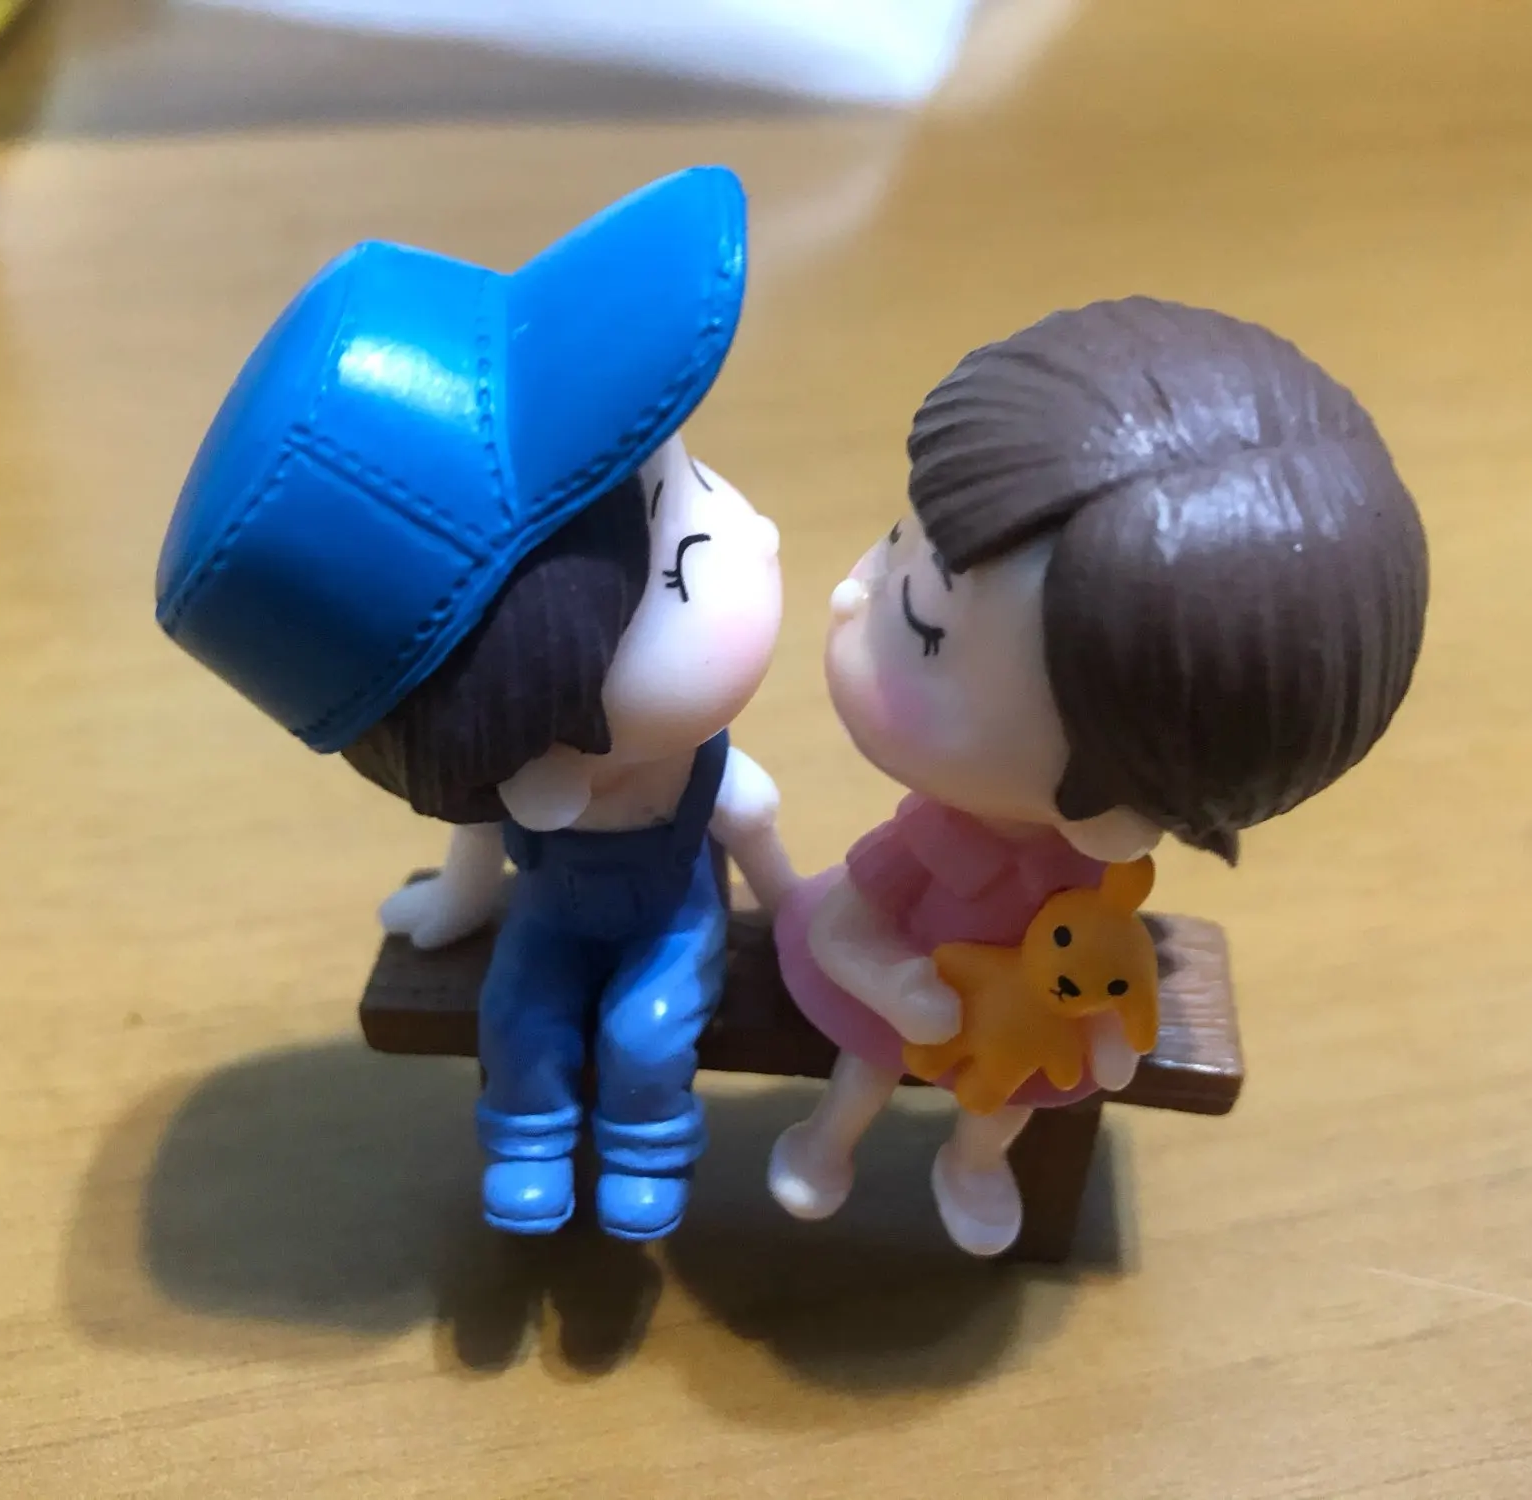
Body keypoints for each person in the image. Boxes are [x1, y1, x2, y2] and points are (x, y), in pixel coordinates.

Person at [155, 166, 794, 1242]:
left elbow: (756, 828)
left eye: (693, 480)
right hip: (550, 916)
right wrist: (455, 907)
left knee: (647, 1032)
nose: (760, 535)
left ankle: (647, 1147)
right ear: (529, 721)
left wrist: (797, 915)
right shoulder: (523, 789)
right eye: (685, 556)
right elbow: (480, 851)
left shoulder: (690, 773)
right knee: (517, 1011)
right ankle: (527, 1139)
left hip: (670, 916)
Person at [766, 297, 1429, 1255]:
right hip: (909, 998)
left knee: (1010, 1101)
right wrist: (900, 987)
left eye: (919, 625)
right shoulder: (933, 841)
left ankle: (973, 1164)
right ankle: (826, 1143)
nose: (846, 594)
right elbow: (842, 927)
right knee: (864, 1065)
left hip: (1027, 1022)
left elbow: (1118, 971)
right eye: (897, 540)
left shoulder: (1097, 869)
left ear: (1118, 810)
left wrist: (1113, 1033)